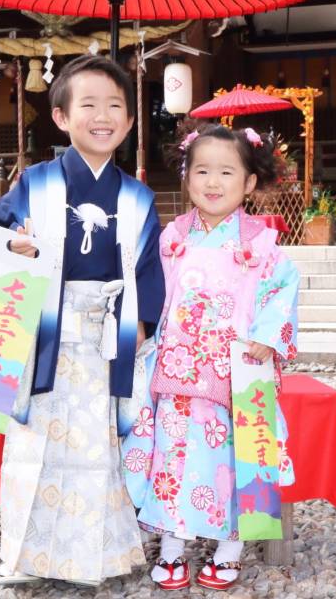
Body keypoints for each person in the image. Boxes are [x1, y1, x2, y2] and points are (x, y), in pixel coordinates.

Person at [0, 54, 165, 586]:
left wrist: (142, 330)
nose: (103, 115)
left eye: (115, 106)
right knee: (32, 443)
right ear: (62, 117)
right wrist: (13, 243)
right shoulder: (36, 182)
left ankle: (96, 556)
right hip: (42, 331)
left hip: (106, 335)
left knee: (98, 445)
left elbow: (149, 271)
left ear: (130, 122)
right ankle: (26, 557)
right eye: (88, 104)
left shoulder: (136, 197)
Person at [122, 123, 299, 591]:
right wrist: (139, 328)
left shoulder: (260, 244)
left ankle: (230, 548)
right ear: (186, 176)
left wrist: (268, 334)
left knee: (234, 460)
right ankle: (173, 546)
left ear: (249, 183)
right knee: (173, 458)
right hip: (176, 369)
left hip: (235, 371)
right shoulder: (171, 237)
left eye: (226, 172)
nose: (213, 182)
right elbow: (149, 291)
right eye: (202, 170)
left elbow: (282, 290)